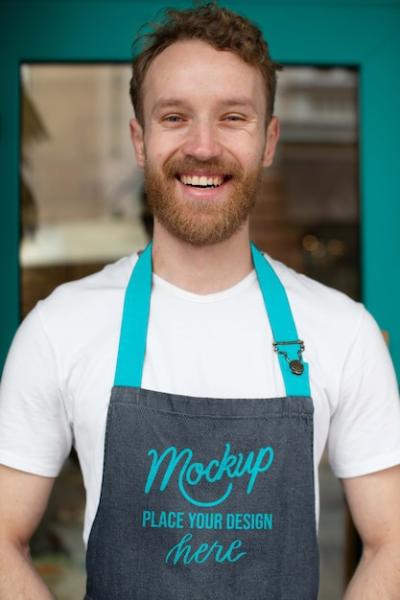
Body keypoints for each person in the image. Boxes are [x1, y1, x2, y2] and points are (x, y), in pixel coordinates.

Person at [0, 3, 399, 599]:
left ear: (268, 140)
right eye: (175, 116)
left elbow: (391, 539)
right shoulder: (61, 326)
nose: (204, 146)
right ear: (140, 139)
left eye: (233, 117)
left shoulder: (343, 331)